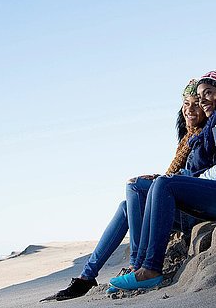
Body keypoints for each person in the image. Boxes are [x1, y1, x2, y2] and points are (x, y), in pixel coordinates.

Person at [109, 70, 216, 291]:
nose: (203, 100)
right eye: (200, 95)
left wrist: (196, 180)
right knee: (150, 187)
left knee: (165, 184)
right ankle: (138, 268)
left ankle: (151, 269)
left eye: (209, 93)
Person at [41, 79, 207, 301]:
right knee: (126, 205)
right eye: (186, 103)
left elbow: (201, 176)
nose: (189, 109)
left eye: (196, 104)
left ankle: (137, 266)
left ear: (206, 106)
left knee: (135, 188)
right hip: (179, 201)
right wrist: (163, 178)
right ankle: (86, 277)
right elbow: (182, 176)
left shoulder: (205, 135)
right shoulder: (187, 138)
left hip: (195, 207)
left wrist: (164, 179)